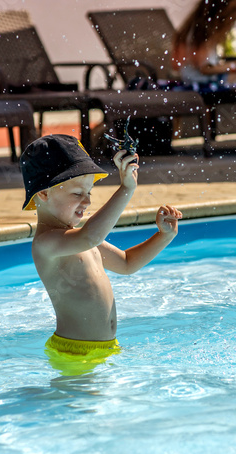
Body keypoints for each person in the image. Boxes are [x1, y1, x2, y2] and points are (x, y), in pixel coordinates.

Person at [21, 135, 182, 375]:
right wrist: (126, 188)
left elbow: (127, 263)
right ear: (43, 194)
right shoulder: (47, 244)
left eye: (89, 193)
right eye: (77, 193)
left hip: (105, 348)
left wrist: (164, 236)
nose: (86, 201)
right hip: (75, 353)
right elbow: (91, 237)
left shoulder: (77, 238)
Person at [172, 0, 236, 86]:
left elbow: (178, 65)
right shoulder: (203, 32)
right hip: (204, 82)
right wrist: (234, 66)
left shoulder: (194, 27)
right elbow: (203, 68)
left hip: (196, 79)